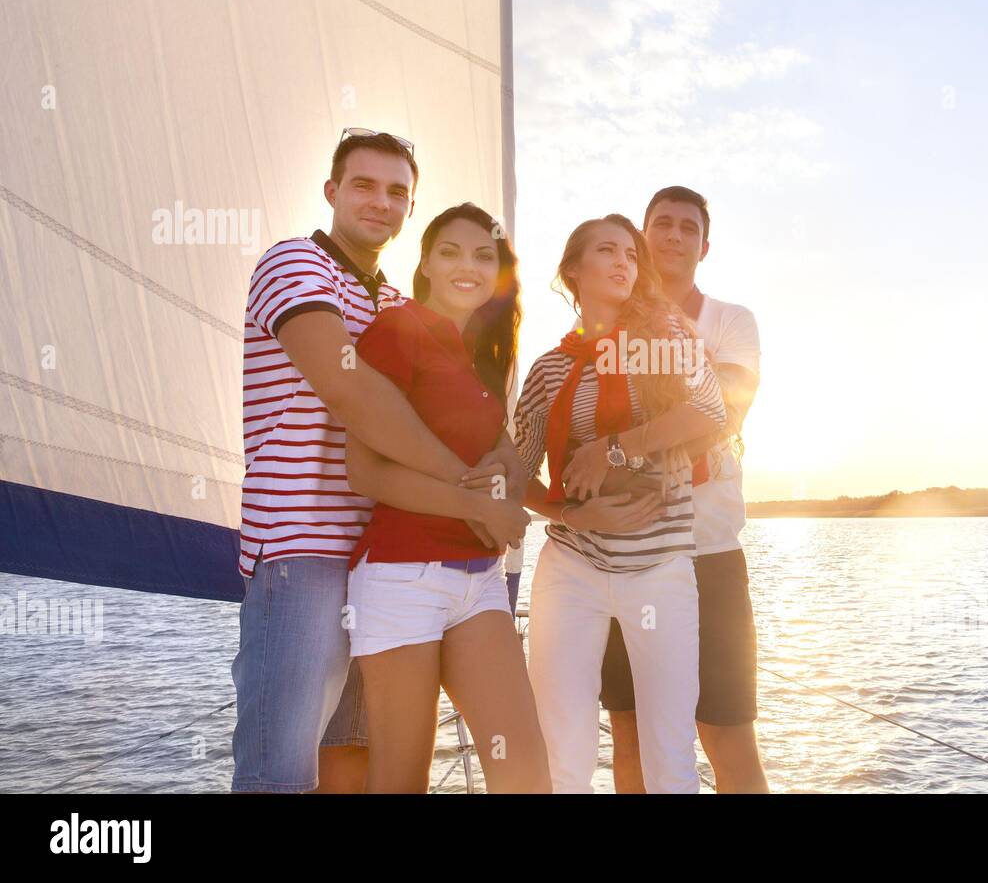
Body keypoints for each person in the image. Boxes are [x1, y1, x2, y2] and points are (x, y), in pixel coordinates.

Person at [230, 130, 525, 793]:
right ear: (332, 191)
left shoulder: (397, 307)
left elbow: (464, 416)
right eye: (364, 184)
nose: (380, 201)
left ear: (410, 209)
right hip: (300, 554)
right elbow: (350, 388)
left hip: (380, 564)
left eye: (398, 192)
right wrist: (466, 487)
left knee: (353, 764)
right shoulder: (295, 265)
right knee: (279, 772)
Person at [513, 214, 728, 793]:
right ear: (572, 271)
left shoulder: (669, 341)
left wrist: (614, 449)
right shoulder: (548, 369)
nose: (624, 263)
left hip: (659, 569)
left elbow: (712, 412)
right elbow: (513, 476)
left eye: (632, 255)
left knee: (669, 756)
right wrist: (569, 513)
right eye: (607, 251)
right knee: (562, 753)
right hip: (571, 568)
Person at [343, 203, 548, 793]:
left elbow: (505, 455)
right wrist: (482, 506)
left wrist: (501, 481)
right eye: (451, 252)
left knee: (526, 772)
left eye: (485, 256)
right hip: (403, 580)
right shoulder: (397, 332)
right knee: (402, 779)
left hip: (479, 580)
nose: (469, 266)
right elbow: (366, 471)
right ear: (426, 264)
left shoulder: (478, 356)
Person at [599, 186, 767, 793]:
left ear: (704, 245)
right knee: (631, 732)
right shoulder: (606, 325)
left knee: (725, 730)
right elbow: (583, 426)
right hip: (624, 557)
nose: (673, 236)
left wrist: (626, 448)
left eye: (687, 228)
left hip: (708, 556)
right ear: (642, 240)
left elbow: (722, 408)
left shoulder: (730, 321)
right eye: (661, 225)